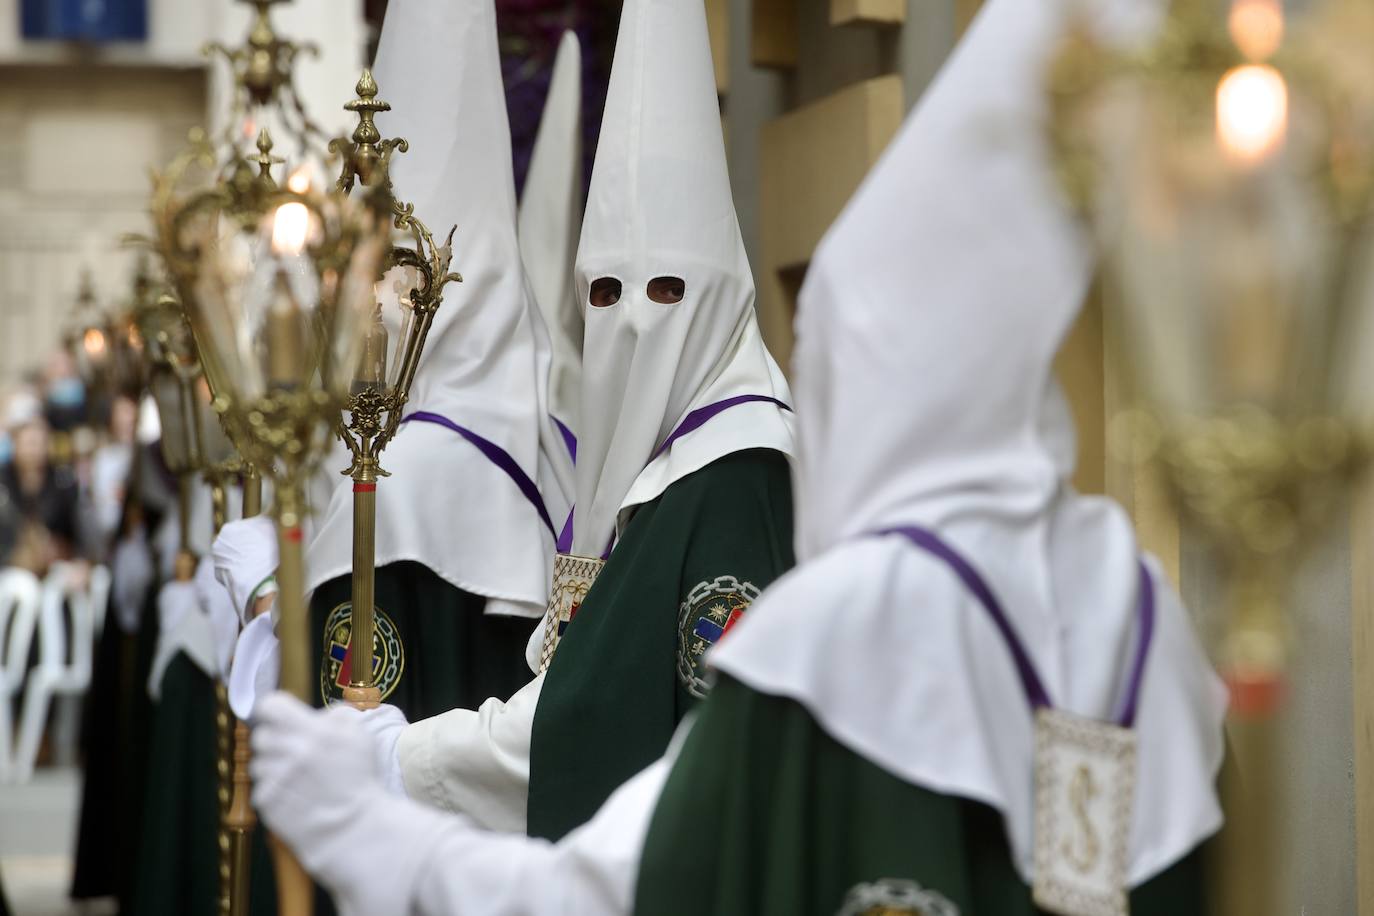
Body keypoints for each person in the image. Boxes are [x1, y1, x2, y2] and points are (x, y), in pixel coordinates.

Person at [247, 0, 1227, 912]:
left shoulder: (844, 621)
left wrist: (377, 822)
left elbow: (619, 877)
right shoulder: (1139, 612)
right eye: (607, 297)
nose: (634, 328)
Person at [350, 0, 797, 845]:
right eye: (605, 293)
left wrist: (399, 758)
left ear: (726, 292)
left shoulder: (737, 472)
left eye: (669, 290)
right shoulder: (660, 469)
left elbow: (592, 720)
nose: (632, 323)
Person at [301, 0, 571, 724]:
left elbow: (335, 730)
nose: (365, 310)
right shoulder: (561, 446)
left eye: (386, 279)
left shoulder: (394, 478)